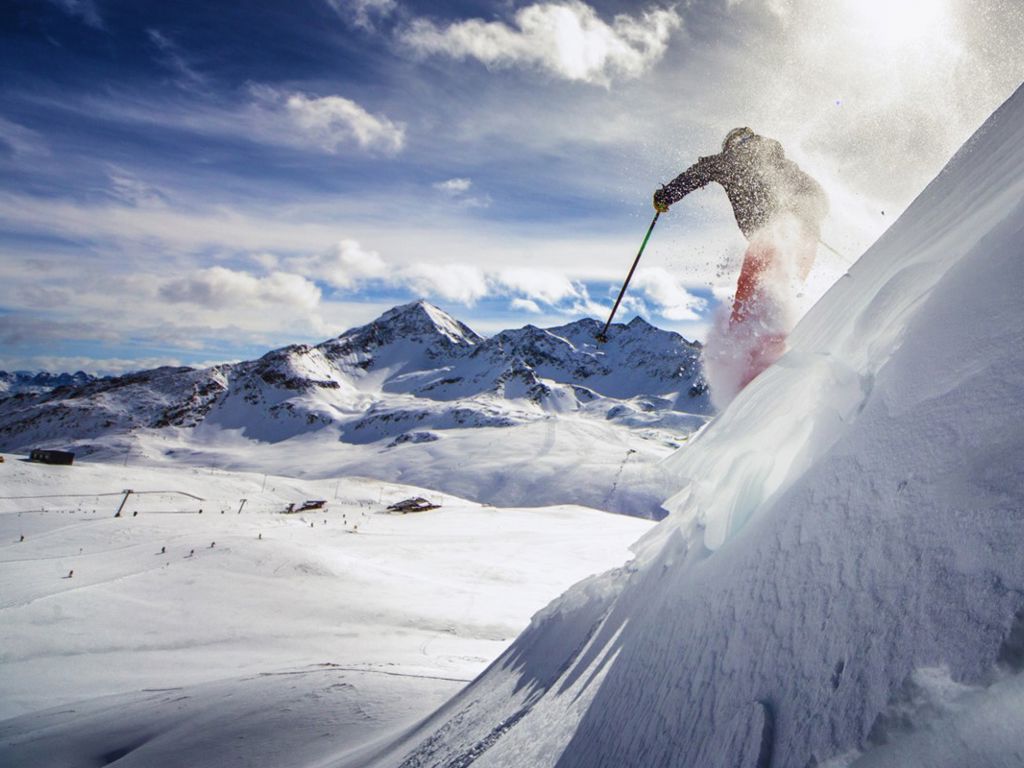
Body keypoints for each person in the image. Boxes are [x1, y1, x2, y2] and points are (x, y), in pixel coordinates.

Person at [653, 127, 827, 394]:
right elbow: (817, 195)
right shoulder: (781, 163)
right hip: (804, 239)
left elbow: (698, 172)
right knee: (783, 292)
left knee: (751, 292)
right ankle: (778, 351)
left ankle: (749, 362)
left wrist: (667, 196)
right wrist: (807, 216)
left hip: (773, 235)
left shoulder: (730, 160)